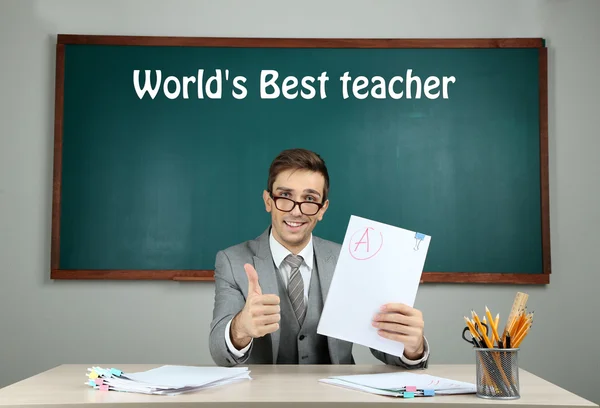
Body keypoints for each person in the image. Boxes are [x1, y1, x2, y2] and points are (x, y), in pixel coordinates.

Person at [209, 148, 429, 368]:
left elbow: (386, 347)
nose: (296, 211)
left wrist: (412, 346)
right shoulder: (232, 261)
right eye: (285, 196)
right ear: (268, 201)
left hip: (335, 397)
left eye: (309, 198)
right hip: (261, 398)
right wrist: (240, 329)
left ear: (322, 209)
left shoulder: (349, 262)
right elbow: (220, 352)